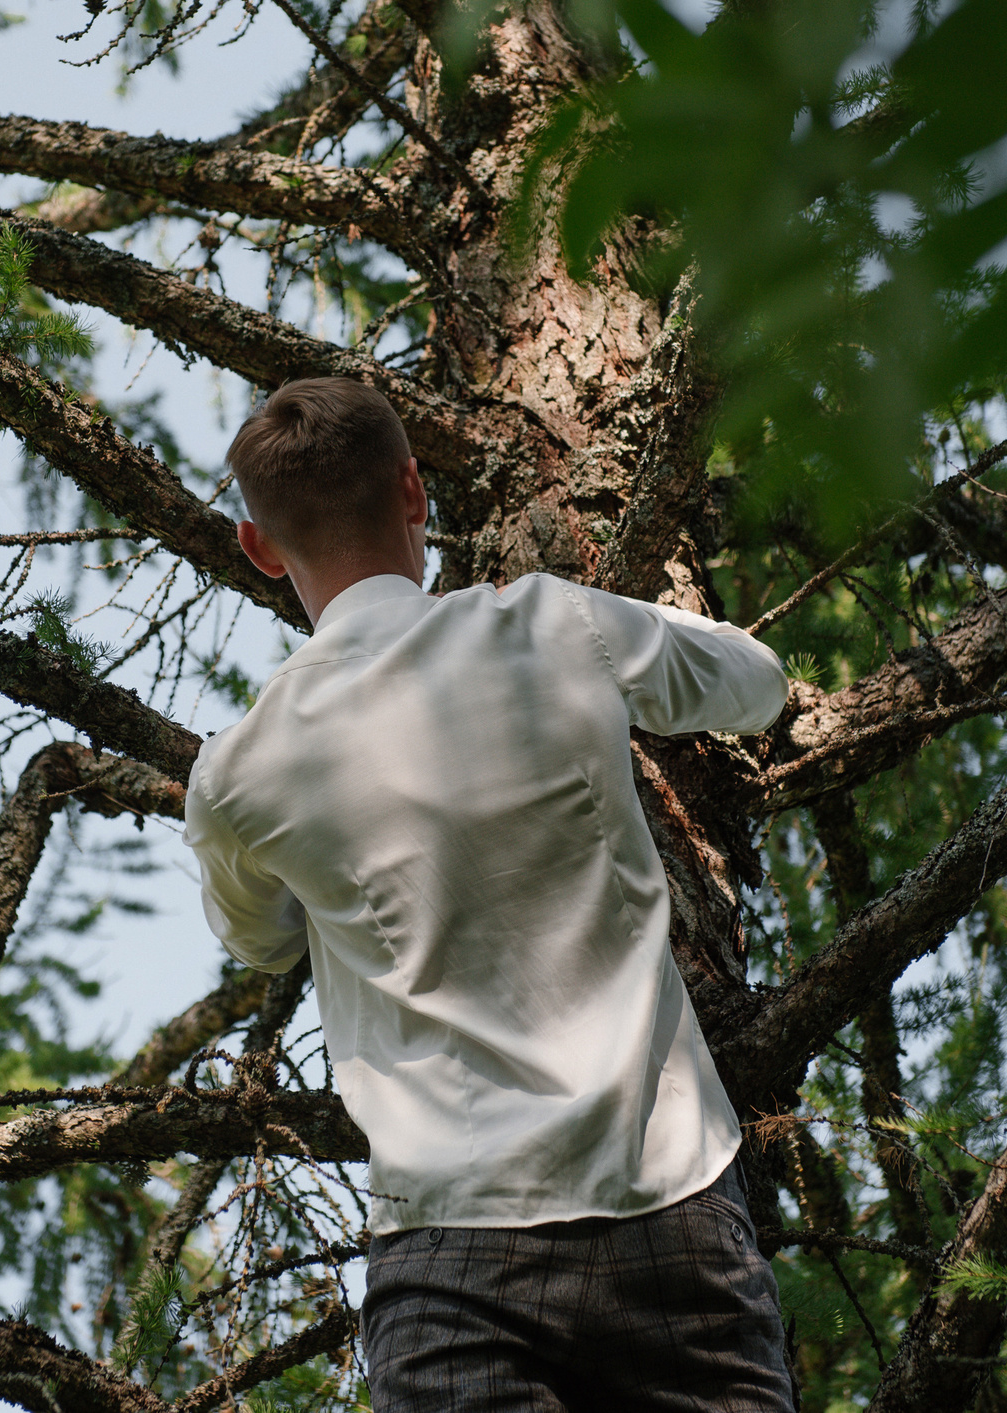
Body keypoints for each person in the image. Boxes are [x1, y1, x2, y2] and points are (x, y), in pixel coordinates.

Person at [183, 376, 795, 1411]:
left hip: (448, 1247)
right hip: (670, 1201)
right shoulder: (555, 626)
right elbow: (755, 680)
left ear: (259, 546)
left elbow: (261, 940)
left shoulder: (239, 774)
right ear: (415, 490)